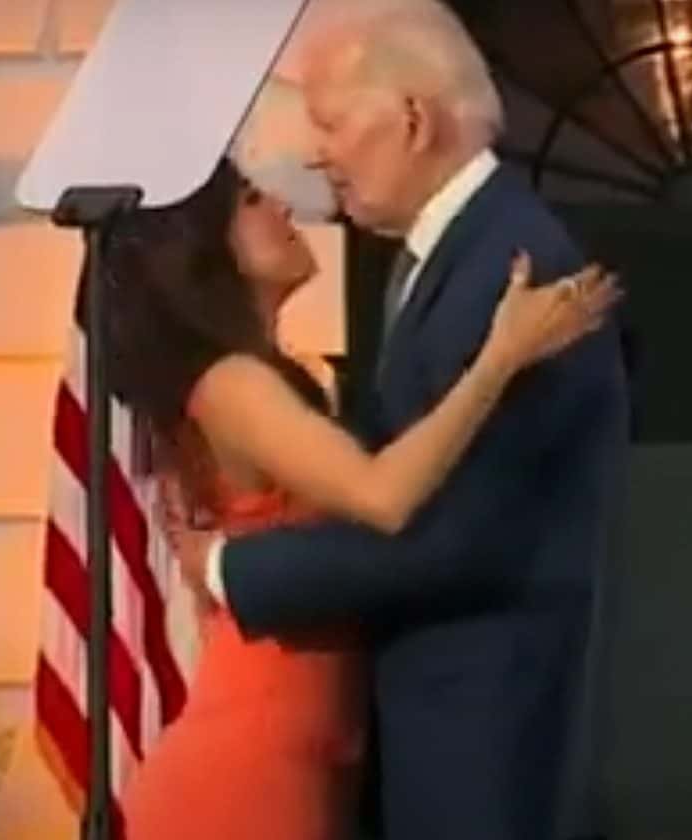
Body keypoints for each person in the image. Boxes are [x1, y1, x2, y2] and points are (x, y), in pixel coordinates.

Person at [173, 3, 631, 838]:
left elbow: (462, 533)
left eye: (332, 125)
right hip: (427, 729)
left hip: (485, 738)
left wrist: (234, 571)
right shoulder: (454, 254)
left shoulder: (513, 266)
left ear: (414, 119)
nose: (319, 156)